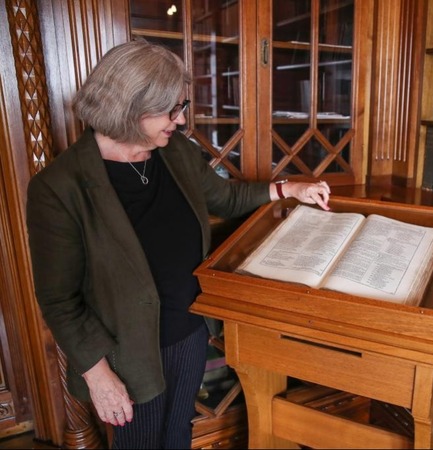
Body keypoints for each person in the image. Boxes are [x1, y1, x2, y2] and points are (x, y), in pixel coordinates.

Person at [25, 39, 331, 449]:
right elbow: (60, 301)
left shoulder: (175, 152)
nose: (182, 120)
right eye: (171, 110)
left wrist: (289, 188)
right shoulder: (59, 188)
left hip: (189, 329)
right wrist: (98, 376)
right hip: (127, 352)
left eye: (181, 106)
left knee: (178, 434)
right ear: (130, 107)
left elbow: (226, 198)